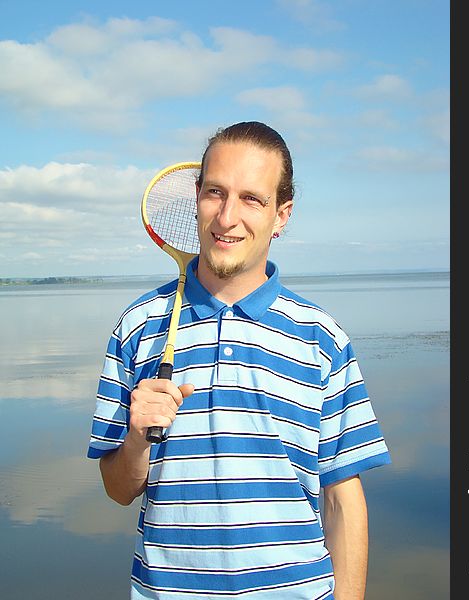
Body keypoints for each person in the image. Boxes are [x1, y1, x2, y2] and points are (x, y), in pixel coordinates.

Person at [87, 121, 391, 600]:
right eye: (215, 192)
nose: (227, 217)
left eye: (252, 198)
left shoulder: (322, 337)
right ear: (196, 196)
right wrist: (136, 440)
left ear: (282, 214)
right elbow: (118, 489)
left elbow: (341, 498)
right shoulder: (138, 326)